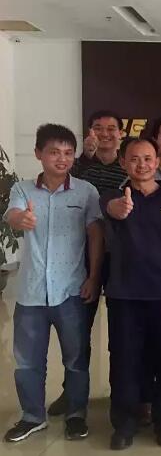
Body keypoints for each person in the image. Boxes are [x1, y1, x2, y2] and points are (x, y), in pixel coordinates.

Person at [3, 124, 103, 443]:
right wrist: (21, 219)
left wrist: (94, 277)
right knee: (27, 362)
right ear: (39, 154)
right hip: (31, 292)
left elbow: (96, 237)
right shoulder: (22, 190)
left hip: (71, 290)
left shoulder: (86, 192)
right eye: (54, 152)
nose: (62, 159)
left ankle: (76, 415)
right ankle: (33, 417)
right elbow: (12, 216)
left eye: (68, 153)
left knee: (76, 360)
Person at [101, 137, 161, 450]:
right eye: (134, 159)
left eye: (148, 158)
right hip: (124, 297)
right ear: (123, 162)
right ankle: (124, 425)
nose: (142, 164)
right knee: (124, 361)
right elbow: (112, 210)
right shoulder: (113, 196)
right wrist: (118, 208)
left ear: (157, 162)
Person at [47, 110, 128, 418]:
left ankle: (124, 393)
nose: (105, 133)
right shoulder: (79, 167)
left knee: (123, 332)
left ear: (121, 134)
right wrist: (84, 157)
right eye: (98, 128)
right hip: (83, 258)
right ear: (89, 132)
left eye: (111, 128)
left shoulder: (129, 166)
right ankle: (72, 392)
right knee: (78, 330)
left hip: (121, 260)